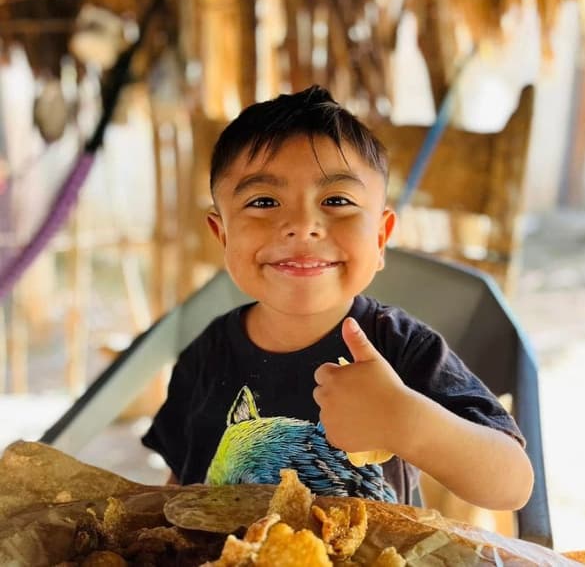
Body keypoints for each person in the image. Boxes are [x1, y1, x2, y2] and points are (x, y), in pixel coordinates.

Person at [142, 86, 533, 511]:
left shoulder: (401, 349)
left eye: (336, 200)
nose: (302, 225)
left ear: (381, 239)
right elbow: (181, 482)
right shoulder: (206, 355)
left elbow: (512, 484)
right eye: (264, 201)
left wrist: (407, 421)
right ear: (223, 236)